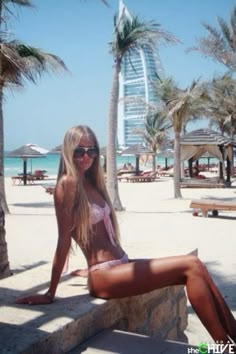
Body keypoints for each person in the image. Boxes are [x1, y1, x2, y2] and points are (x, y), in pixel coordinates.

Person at [16, 125, 236, 344]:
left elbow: (97, 235)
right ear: (68, 151)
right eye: (79, 151)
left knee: (196, 268)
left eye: (91, 150)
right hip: (105, 275)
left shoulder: (91, 183)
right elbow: (64, 239)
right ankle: (224, 347)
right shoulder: (67, 184)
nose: (86, 157)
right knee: (191, 264)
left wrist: (87, 267)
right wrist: (50, 293)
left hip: (119, 264)